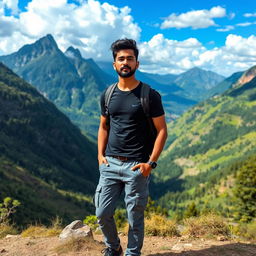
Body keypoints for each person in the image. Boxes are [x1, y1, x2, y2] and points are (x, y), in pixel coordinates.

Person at [95, 38, 167, 256]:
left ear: (137, 63)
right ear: (114, 64)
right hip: (110, 163)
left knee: (135, 216)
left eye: (130, 58)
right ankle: (113, 246)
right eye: (121, 59)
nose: (125, 62)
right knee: (102, 212)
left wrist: (150, 163)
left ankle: (132, 253)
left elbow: (162, 131)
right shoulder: (108, 94)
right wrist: (100, 155)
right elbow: (103, 126)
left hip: (137, 166)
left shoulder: (149, 95)